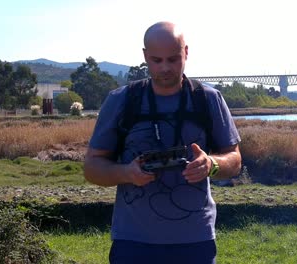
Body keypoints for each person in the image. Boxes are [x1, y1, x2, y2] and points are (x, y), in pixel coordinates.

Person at [84, 21, 242, 264]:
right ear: (145, 56)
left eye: (173, 59)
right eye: (157, 60)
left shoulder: (208, 99)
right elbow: (92, 168)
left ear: (186, 53)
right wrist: (127, 173)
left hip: (195, 240)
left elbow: (234, 159)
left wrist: (211, 164)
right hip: (132, 242)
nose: (165, 68)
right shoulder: (121, 101)